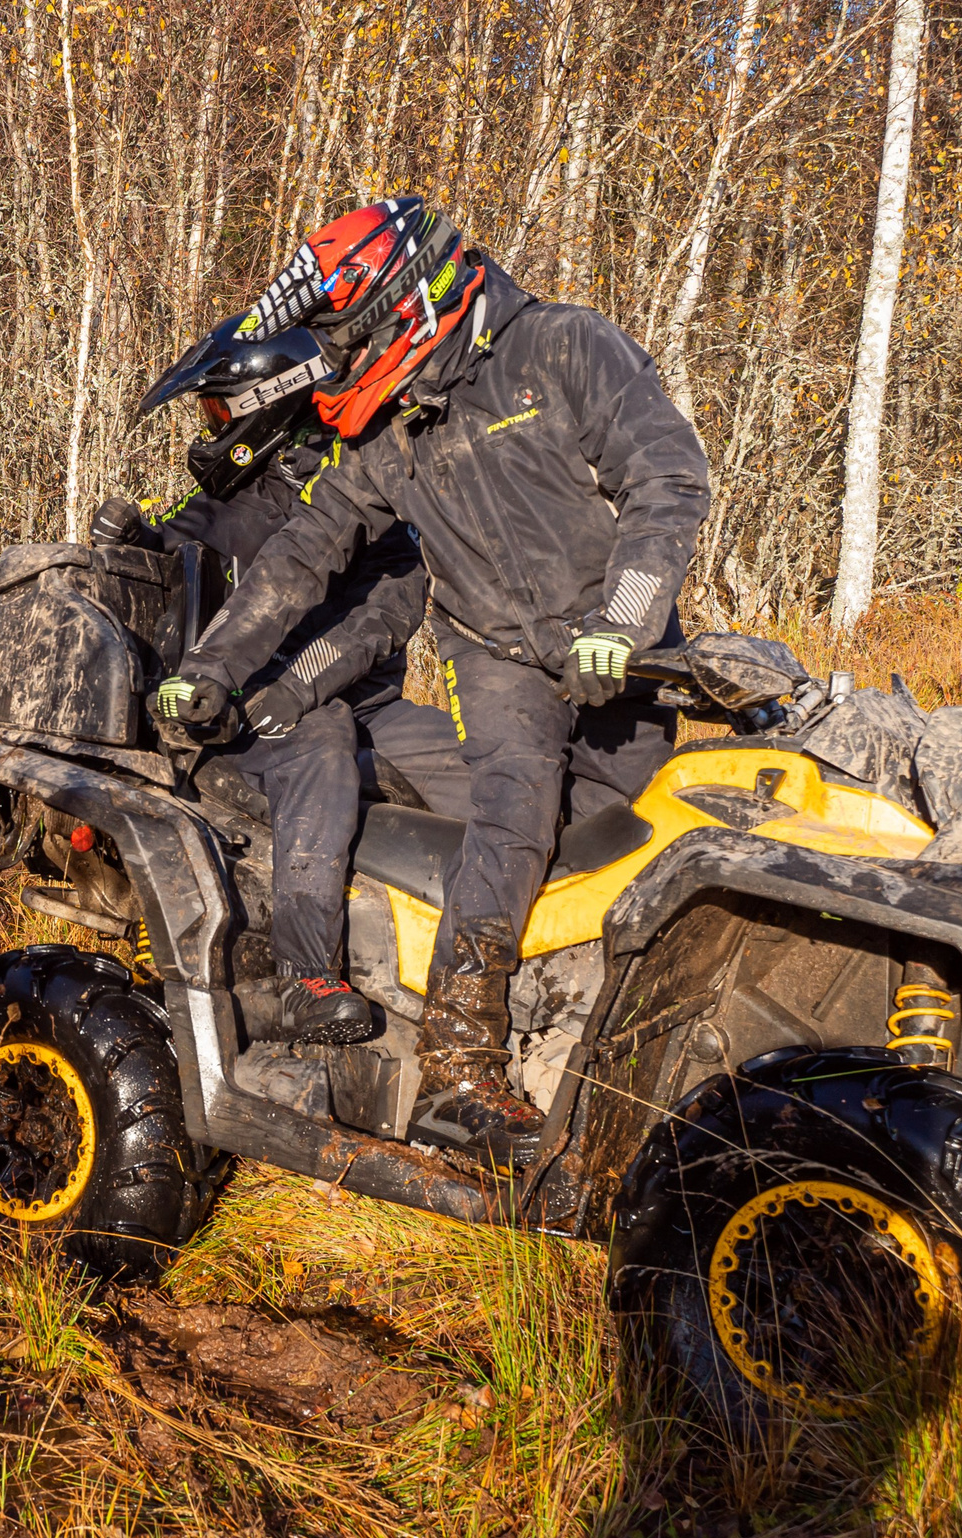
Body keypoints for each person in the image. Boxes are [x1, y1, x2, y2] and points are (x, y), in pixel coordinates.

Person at [156, 196, 708, 1164]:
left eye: (349, 334)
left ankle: (593, 1039)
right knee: (514, 815)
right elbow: (301, 558)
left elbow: (665, 478)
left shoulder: (564, 347)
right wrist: (210, 668)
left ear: (411, 298)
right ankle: (459, 1071)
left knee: (619, 834)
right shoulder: (387, 434)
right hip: (493, 654)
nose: (342, 356)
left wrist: (623, 618)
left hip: (615, 639)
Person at [105, 315, 470, 1046]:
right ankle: (306, 973)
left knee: (482, 758)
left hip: (349, 703)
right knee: (322, 737)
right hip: (244, 725)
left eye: (217, 407)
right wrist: (124, 540)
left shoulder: (360, 483)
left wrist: (299, 684)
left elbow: (384, 615)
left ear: (265, 405)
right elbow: (165, 544)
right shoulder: (222, 501)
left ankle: (495, 977)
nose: (208, 425)